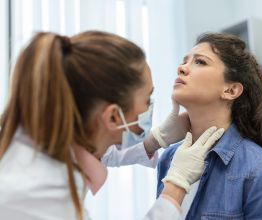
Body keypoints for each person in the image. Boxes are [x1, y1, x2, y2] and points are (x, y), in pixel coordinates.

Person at [0, 31, 224, 220]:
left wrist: (155, 140)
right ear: (113, 117)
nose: (182, 69)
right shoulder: (40, 193)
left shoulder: (46, 140)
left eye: (200, 61)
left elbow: (99, 152)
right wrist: (175, 187)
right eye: (147, 100)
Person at [156, 33, 262, 219]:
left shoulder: (260, 172)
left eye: (200, 62)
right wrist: (155, 140)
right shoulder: (168, 159)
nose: (181, 68)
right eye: (185, 61)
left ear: (231, 90)